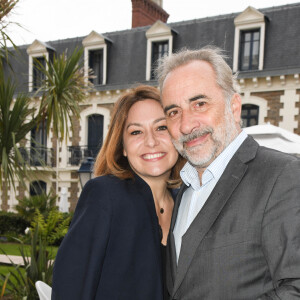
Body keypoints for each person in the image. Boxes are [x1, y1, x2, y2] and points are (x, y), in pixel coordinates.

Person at [156, 47, 300, 299]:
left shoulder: (282, 176)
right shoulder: (184, 192)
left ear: (234, 106)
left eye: (199, 104)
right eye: (173, 112)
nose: (186, 124)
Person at [52, 85, 185, 299]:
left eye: (161, 128)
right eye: (136, 132)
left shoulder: (185, 205)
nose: (151, 141)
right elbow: (70, 288)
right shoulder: (104, 196)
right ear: (123, 147)